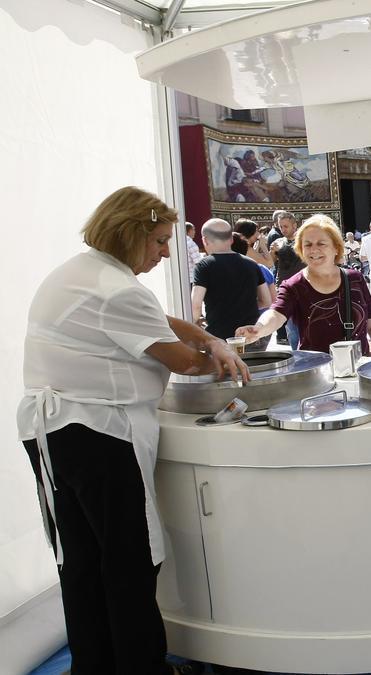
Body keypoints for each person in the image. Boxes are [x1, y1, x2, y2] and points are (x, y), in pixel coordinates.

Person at [18, 186, 248, 675]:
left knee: (81, 562)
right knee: (130, 563)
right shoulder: (118, 289)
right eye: (160, 241)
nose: (166, 253)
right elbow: (185, 363)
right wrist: (218, 352)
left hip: (56, 434)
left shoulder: (84, 273)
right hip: (100, 436)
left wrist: (207, 335)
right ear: (129, 234)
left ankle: (95, 666)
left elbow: (158, 321)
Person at [236, 214, 371, 355]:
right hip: (317, 376)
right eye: (308, 244)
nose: (314, 250)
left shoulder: (355, 279)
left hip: (358, 371)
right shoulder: (293, 286)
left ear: (336, 248)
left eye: (321, 243)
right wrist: (258, 329)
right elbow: (276, 314)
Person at [191, 219, 271, 349]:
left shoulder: (204, 266)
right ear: (231, 239)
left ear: (205, 240)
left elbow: (195, 305)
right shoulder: (252, 264)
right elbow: (266, 301)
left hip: (220, 337)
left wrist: (193, 325)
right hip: (250, 336)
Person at [268, 210, 305, 348]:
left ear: (294, 225)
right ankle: (296, 354)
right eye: (280, 226)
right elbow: (271, 263)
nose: (283, 229)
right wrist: (272, 252)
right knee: (291, 328)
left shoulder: (302, 240)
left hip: (303, 285)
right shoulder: (278, 242)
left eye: (286, 226)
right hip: (284, 286)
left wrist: (286, 248)